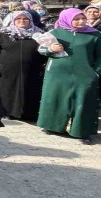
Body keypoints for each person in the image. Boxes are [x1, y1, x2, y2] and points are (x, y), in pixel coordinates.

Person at [37, 8, 100, 144]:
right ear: (67, 19)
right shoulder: (56, 32)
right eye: (76, 19)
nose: (81, 21)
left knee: (83, 102)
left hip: (85, 75)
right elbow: (41, 49)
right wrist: (50, 49)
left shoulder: (95, 35)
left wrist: (96, 72)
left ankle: (81, 131)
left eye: (83, 18)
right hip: (57, 74)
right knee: (55, 98)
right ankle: (53, 126)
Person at [0, 11, 46, 121]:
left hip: (32, 69)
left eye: (25, 19)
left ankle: (28, 114)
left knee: (30, 90)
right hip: (7, 70)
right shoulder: (4, 34)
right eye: (18, 19)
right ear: (13, 20)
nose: (22, 21)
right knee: (8, 90)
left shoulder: (39, 34)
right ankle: (7, 112)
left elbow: (45, 50)